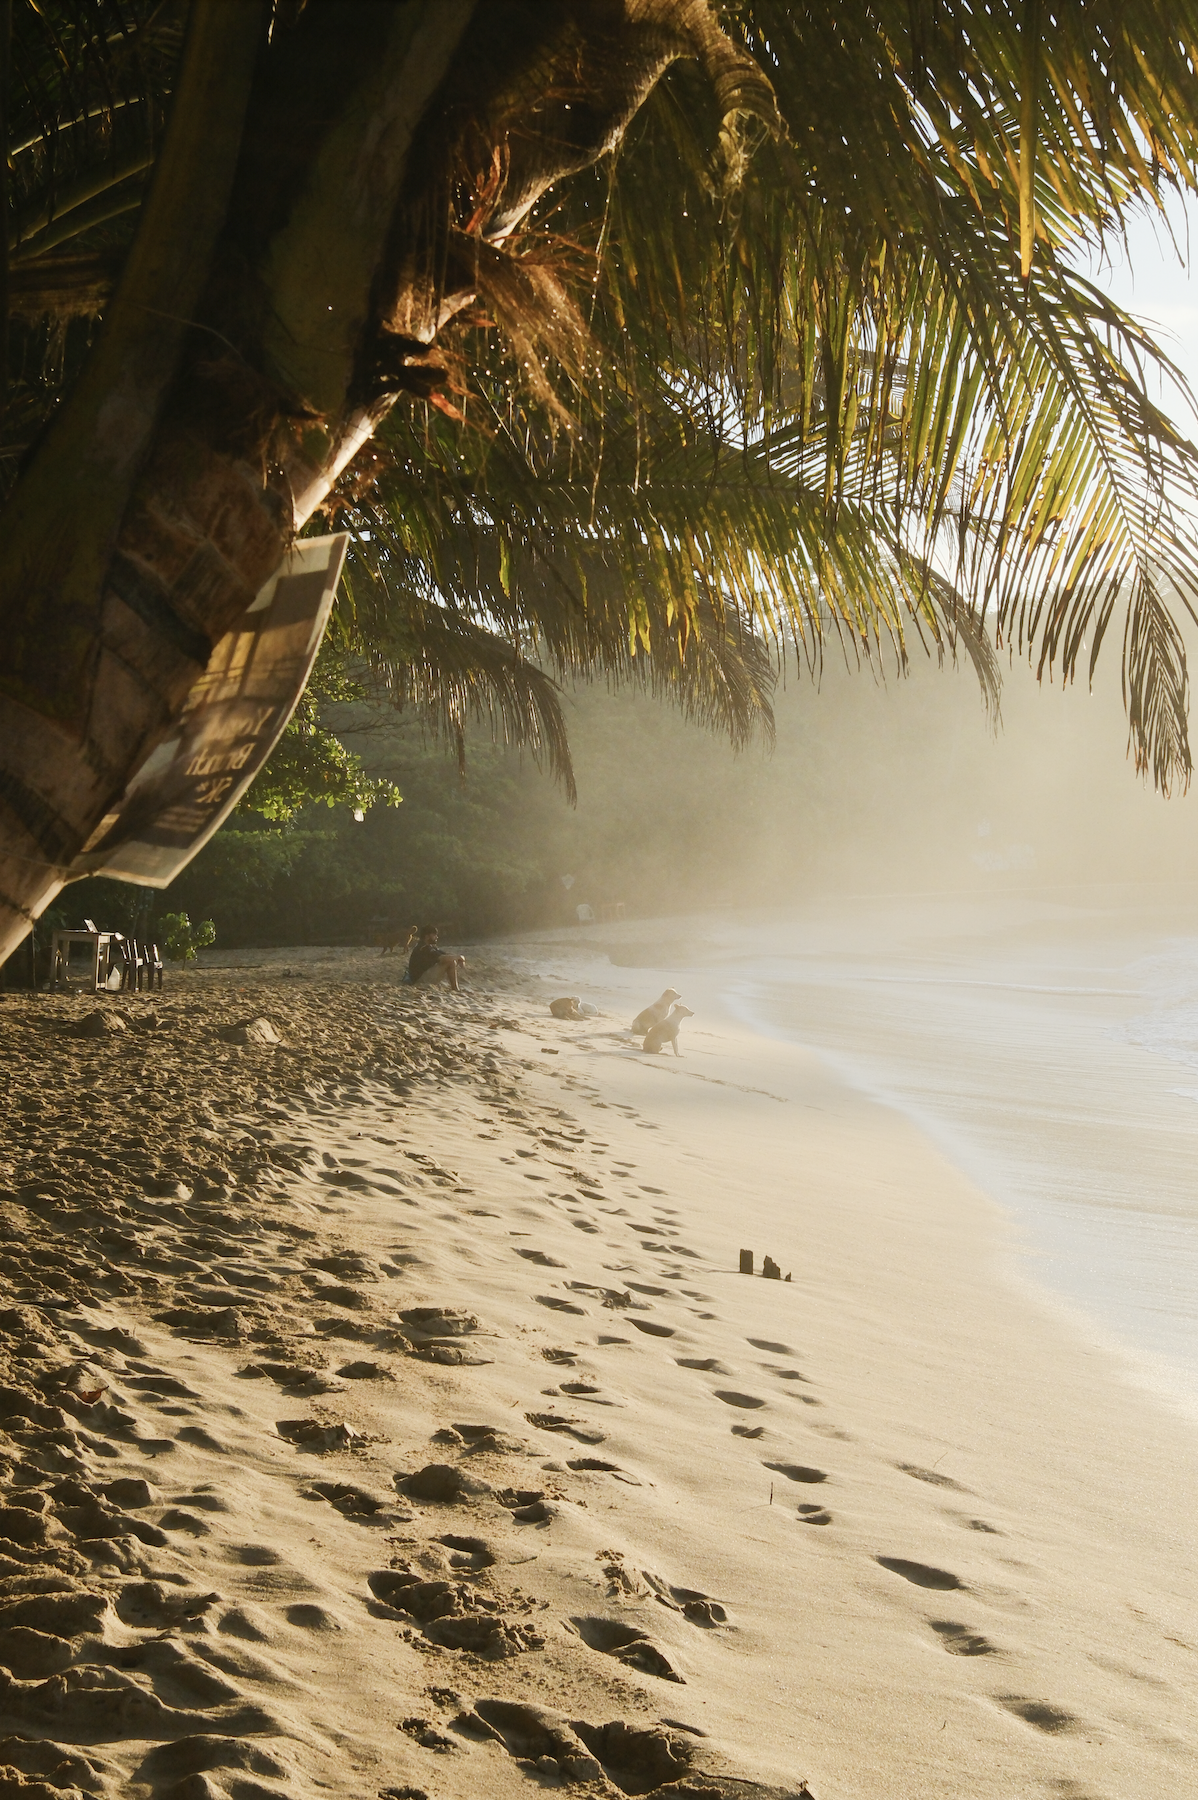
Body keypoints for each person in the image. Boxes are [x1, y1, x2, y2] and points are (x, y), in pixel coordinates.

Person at [406, 924, 466, 991]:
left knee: (451, 960)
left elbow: (446, 954)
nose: (437, 937)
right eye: (434, 935)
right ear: (427, 936)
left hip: (421, 975)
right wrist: (459, 957)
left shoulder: (428, 946)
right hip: (419, 979)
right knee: (451, 962)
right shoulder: (424, 948)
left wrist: (459, 958)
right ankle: (455, 988)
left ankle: (455, 988)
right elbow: (443, 958)